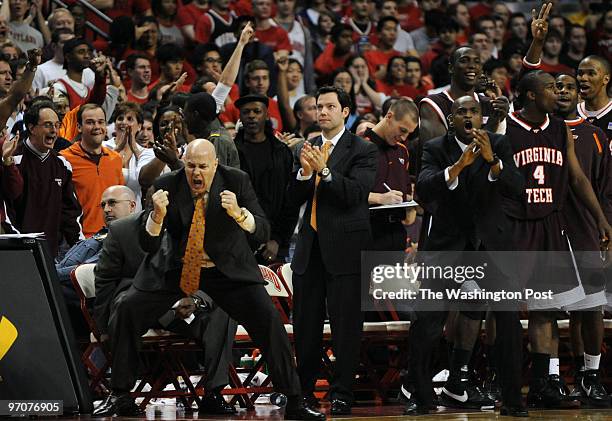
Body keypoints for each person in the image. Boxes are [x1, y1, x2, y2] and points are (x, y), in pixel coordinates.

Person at [93, 139, 324, 420]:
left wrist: (240, 215)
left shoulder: (236, 181)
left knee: (269, 320)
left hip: (225, 268)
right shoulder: (167, 184)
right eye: (191, 166)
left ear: (215, 165)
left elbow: (262, 231)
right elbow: (148, 243)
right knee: (128, 308)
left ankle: (294, 400)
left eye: (203, 166)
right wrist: (156, 217)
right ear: (184, 164)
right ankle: (120, 395)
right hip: (175, 267)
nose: (196, 172)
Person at [403, 96, 526, 416]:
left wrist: (493, 161)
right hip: (448, 247)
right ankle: (421, 396)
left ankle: (513, 400)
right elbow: (425, 190)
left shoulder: (498, 143)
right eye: (462, 112)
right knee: (427, 324)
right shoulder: (434, 148)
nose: (469, 117)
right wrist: (458, 167)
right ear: (451, 118)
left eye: (474, 111)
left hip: (492, 248)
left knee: (509, 323)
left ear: (481, 116)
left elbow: (517, 188)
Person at [503, 70, 612, 408]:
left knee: (546, 310)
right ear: (532, 95)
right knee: (510, 312)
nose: (560, 92)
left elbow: (578, 177)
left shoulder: (560, 128)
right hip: (518, 226)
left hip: (550, 225)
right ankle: (513, 383)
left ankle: (545, 384)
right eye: (551, 87)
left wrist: (600, 219)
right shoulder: (507, 127)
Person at [92, 186, 238, 416]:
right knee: (125, 303)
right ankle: (120, 394)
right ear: (150, 201)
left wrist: (197, 300)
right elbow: (105, 280)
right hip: (137, 305)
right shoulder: (122, 230)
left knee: (223, 308)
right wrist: (102, 328)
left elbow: (216, 274)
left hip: (179, 309)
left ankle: (214, 393)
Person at [289, 86, 378, 414]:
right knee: (306, 326)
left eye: (329, 106)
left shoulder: (363, 150)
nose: (321, 112)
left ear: (345, 112)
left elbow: (356, 193)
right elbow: (292, 198)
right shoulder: (307, 147)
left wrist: (325, 172)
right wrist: (304, 172)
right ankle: (305, 392)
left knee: (345, 327)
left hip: (345, 248)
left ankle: (343, 393)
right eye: (317, 106)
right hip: (309, 247)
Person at [555, 73, 612, 407]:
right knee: (548, 309)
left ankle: (591, 376)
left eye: (568, 87)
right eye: (557, 86)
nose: (562, 90)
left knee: (590, 306)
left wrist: (606, 229)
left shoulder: (595, 135)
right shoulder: (540, 133)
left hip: (586, 230)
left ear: (577, 95)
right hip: (546, 231)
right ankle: (558, 376)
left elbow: (605, 190)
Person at [234, 94, 295, 262]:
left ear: (267, 114)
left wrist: (277, 239)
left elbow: (289, 200)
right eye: (246, 112)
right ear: (240, 116)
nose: (252, 116)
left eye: (257, 111)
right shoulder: (232, 152)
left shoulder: (282, 152)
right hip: (238, 241)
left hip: (275, 243)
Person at [60, 104, 124, 238]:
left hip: (113, 237)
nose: (97, 127)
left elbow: (119, 201)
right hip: (79, 241)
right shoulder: (64, 159)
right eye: (90, 122)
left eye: (101, 122)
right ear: (78, 127)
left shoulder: (115, 159)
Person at [364, 99, 418, 251]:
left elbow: (406, 190)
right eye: (402, 130)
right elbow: (349, 192)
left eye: (409, 133)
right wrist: (380, 198)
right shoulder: (360, 146)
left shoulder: (403, 150)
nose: (404, 137)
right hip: (368, 230)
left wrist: (408, 198)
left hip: (397, 231)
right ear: (389, 116)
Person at [576, 55, 612, 140]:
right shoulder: (571, 113)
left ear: (606, 79)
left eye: (591, 73)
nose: (583, 78)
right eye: (580, 74)